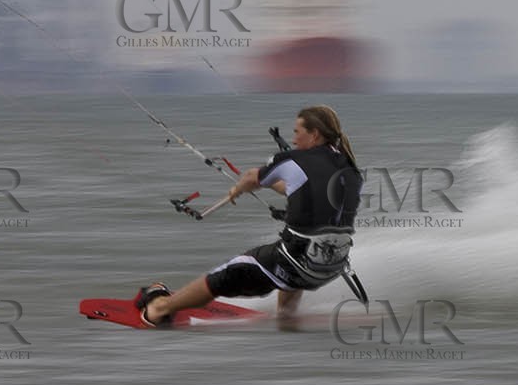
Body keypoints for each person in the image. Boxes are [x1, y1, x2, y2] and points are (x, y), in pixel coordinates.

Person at [135, 105, 363, 326]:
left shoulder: (294, 159)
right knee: (292, 262)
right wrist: (269, 184)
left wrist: (237, 190)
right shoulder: (351, 170)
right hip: (331, 265)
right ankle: (286, 318)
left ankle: (159, 309)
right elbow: (300, 189)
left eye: (297, 132)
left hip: (296, 258)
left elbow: (251, 177)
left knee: (225, 275)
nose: (293, 140)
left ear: (314, 134)